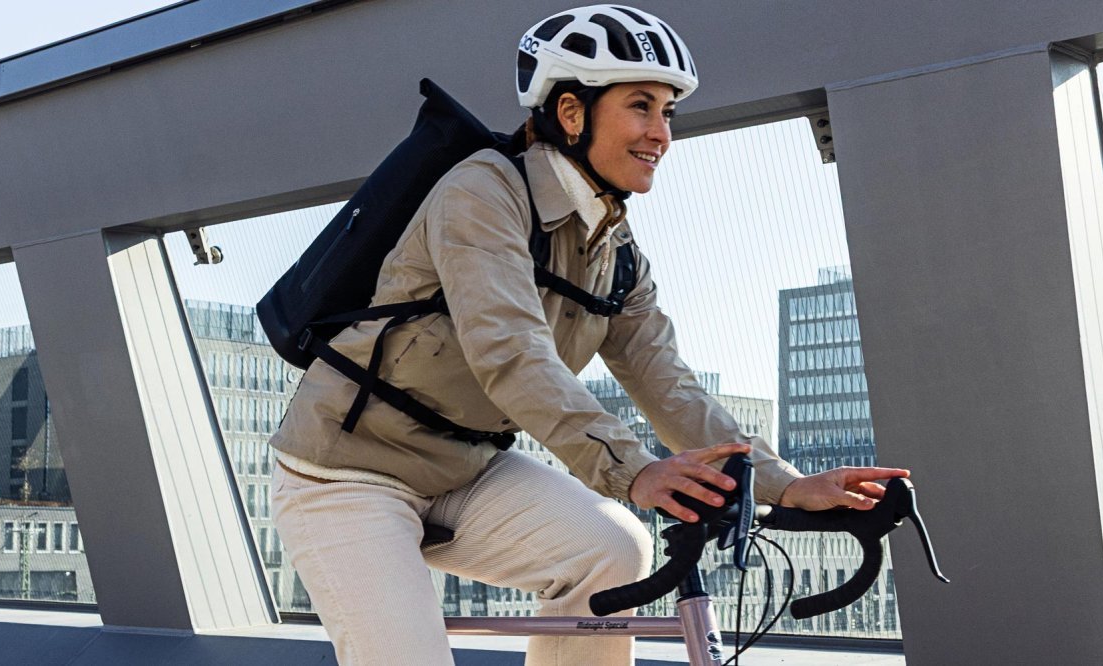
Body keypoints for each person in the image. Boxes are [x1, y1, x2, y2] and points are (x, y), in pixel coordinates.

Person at [269, 6, 910, 664]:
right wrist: (633, 472)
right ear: (571, 113)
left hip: (462, 469)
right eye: (641, 106)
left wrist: (782, 483)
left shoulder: (615, 247)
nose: (661, 133)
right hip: (345, 472)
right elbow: (511, 355)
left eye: (667, 112)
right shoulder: (482, 192)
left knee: (613, 552)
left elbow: (667, 382)